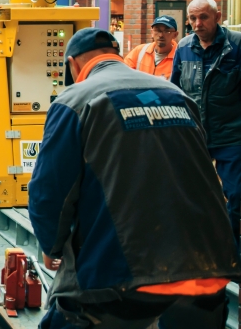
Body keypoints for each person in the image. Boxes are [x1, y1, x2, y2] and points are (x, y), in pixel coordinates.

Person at [30, 28, 238, 329]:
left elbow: (50, 193)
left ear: (74, 65)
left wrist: (51, 246)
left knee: (66, 317)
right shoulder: (177, 96)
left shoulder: (74, 100)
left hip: (127, 277)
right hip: (209, 270)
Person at [171, 0, 241, 243]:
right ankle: (197, 250)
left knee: (236, 195)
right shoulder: (184, 47)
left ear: (218, 17)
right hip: (195, 134)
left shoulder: (237, 45)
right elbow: (176, 90)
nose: (197, 23)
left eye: (203, 17)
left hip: (231, 136)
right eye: (192, 18)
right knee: (189, 194)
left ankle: (231, 254)